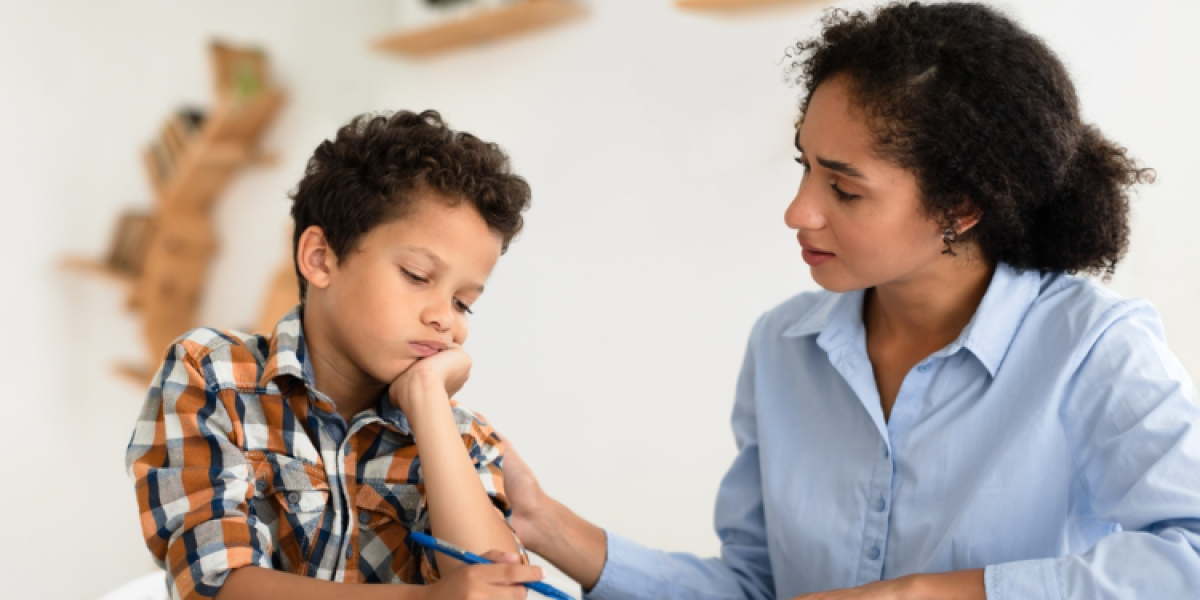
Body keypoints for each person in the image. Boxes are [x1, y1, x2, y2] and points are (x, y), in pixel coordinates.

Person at [497, 3, 1200, 599]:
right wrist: (546, 525)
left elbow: (1188, 555)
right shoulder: (782, 348)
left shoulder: (1095, 345)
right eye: (805, 166)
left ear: (960, 206)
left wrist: (925, 592)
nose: (797, 211)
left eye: (845, 188)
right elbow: (755, 588)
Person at [125, 110, 545, 600]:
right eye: (415, 275)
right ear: (320, 258)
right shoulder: (214, 375)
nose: (445, 319)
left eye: (463, 302)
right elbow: (217, 585)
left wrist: (429, 404)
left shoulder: (464, 440)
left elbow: (499, 593)